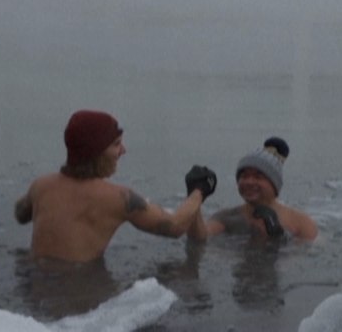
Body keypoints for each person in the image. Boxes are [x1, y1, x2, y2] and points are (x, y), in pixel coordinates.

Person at [14, 109, 218, 262]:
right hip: (81, 294)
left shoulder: (41, 185)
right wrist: (199, 191)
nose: (123, 150)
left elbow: (20, 215)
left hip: (35, 287)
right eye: (116, 144)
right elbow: (175, 227)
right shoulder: (119, 199)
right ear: (95, 152)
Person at [188, 136, 317, 242]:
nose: (249, 182)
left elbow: (309, 253)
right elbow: (199, 238)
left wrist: (280, 238)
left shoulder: (301, 223)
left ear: (275, 185)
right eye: (244, 176)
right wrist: (195, 195)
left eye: (258, 177)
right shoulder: (227, 218)